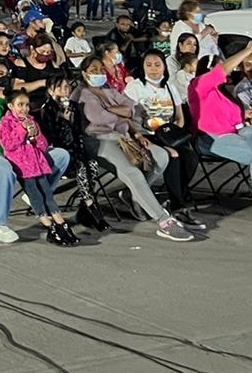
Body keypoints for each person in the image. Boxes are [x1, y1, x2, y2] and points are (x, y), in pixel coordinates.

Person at [76, 58, 196, 241]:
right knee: (133, 173)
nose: (99, 72)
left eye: (101, 69)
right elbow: (100, 118)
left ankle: (134, 195)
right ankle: (163, 220)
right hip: (99, 141)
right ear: (84, 73)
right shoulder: (81, 93)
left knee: (161, 156)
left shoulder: (108, 89)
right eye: (94, 70)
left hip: (125, 137)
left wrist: (127, 123)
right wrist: (121, 114)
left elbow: (132, 107)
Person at [187, 41, 252, 224]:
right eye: (222, 67)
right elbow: (221, 71)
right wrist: (249, 50)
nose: (228, 71)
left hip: (236, 132)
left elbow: (230, 118)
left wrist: (245, 114)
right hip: (210, 139)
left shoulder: (223, 93)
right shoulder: (199, 85)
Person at [0, 61, 71, 244]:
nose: (5, 77)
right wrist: (0, 101)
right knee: (3, 170)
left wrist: (35, 135)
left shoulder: (15, 96)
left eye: (7, 73)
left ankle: (34, 195)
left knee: (61, 156)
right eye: (0, 74)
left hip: (25, 152)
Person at [0, 91, 77, 245]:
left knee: (47, 193)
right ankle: (50, 226)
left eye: (27, 105)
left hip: (37, 164)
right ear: (10, 106)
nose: (24, 108)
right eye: (20, 105)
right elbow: (8, 144)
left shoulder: (31, 121)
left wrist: (36, 137)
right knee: (36, 195)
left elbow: (43, 145)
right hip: (23, 166)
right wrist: (22, 129)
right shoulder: (6, 123)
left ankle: (62, 224)